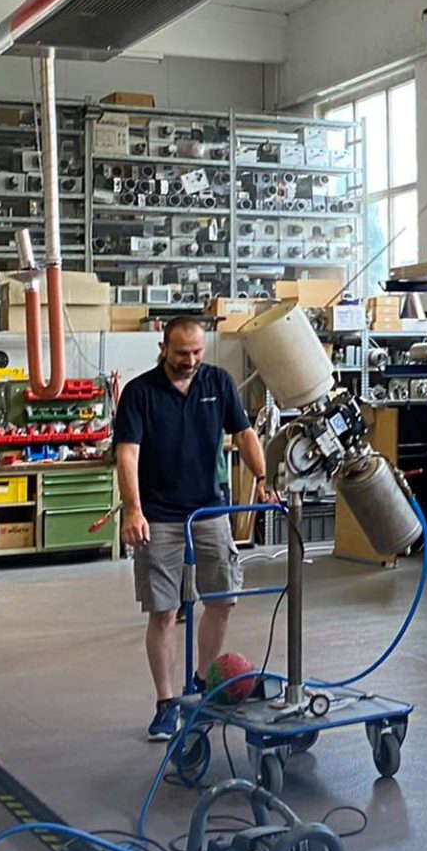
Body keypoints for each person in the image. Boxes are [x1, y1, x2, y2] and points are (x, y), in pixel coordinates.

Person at [114, 316, 274, 741]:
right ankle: (166, 703)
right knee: (164, 611)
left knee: (223, 599)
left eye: (197, 352)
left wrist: (261, 478)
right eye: (182, 353)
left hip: (210, 511)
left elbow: (244, 434)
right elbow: (127, 455)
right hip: (160, 515)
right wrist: (133, 510)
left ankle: (202, 682)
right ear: (164, 348)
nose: (190, 361)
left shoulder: (218, 383)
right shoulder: (139, 393)